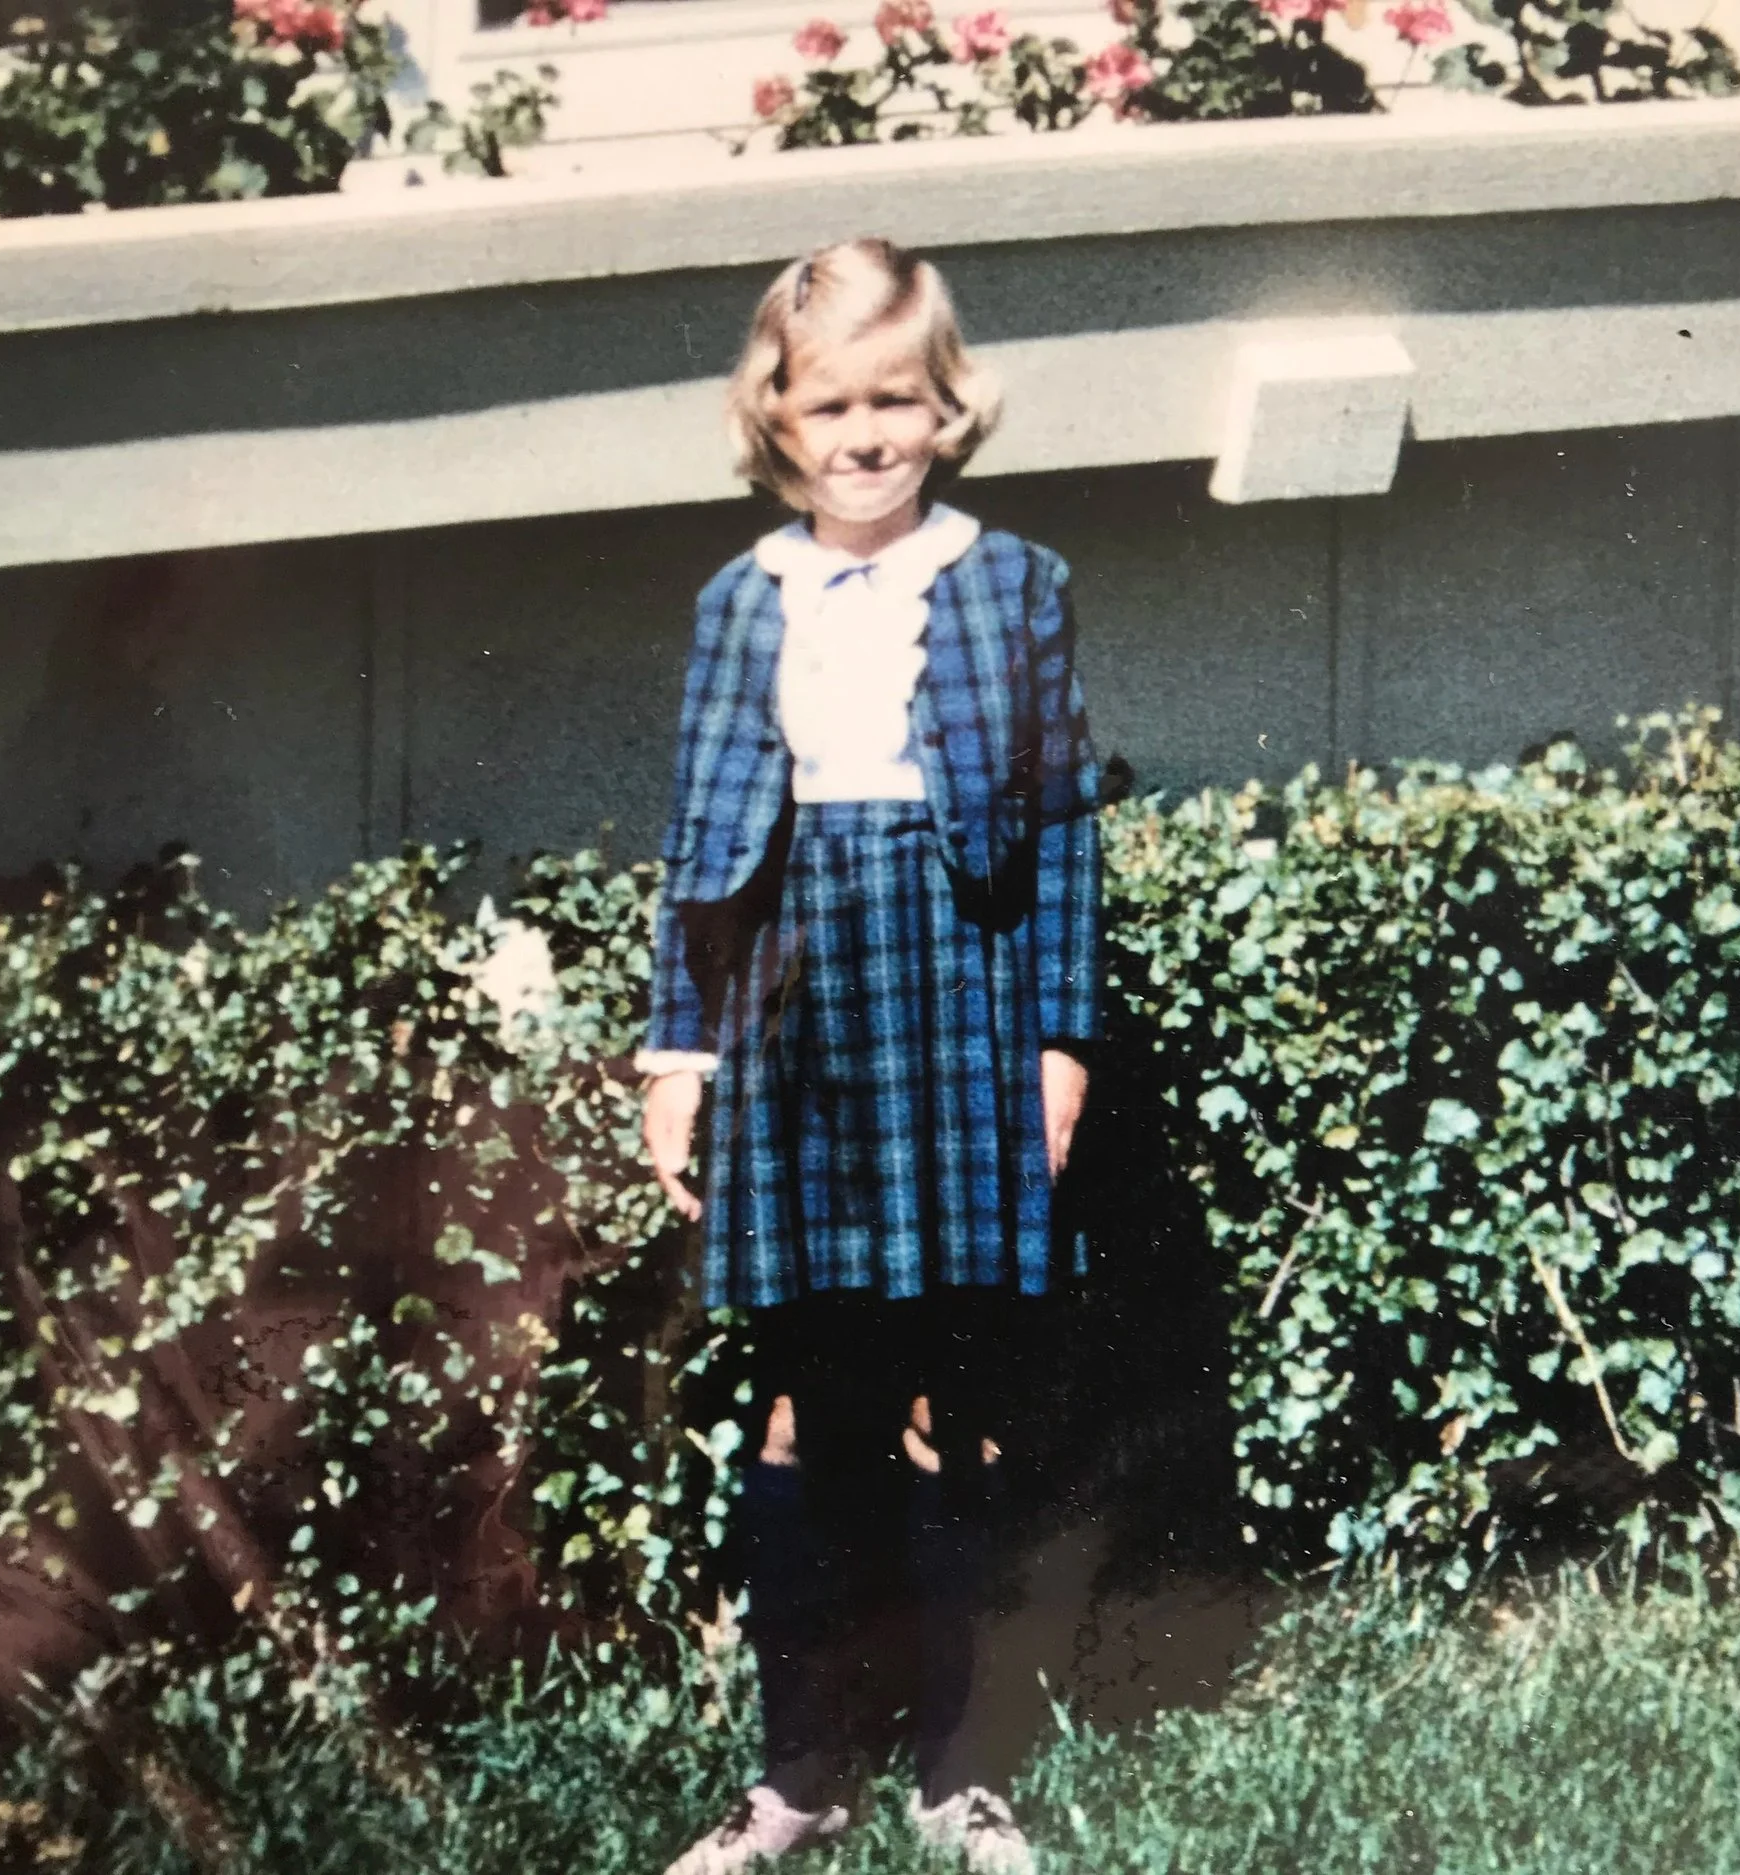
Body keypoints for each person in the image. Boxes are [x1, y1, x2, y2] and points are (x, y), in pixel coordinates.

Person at [636, 237, 1103, 1875]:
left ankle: (957, 1774)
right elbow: (699, 845)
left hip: (958, 989)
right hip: (788, 999)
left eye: (894, 397)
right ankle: (796, 1775)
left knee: (944, 1399)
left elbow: (1056, 838)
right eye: (829, 403)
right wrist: (675, 1050)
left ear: (944, 405)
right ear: (778, 418)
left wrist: (1057, 1038)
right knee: (801, 1405)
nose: (864, 432)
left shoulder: (1014, 583)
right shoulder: (735, 602)